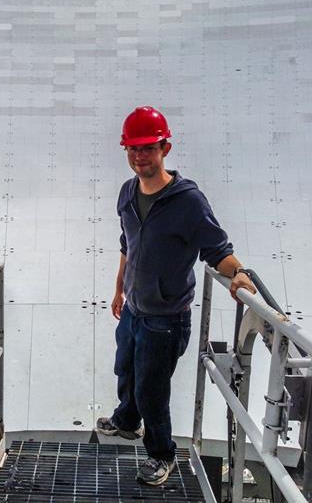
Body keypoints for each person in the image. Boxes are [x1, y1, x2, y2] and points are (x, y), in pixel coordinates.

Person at [96, 106, 256, 486]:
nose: (139, 156)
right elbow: (128, 243)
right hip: (134, 308)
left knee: (152, 389)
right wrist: (119, 288)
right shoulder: (128, 192)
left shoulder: (187, 201)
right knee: (127, 369)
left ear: (165, 147)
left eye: (148, 148)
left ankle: (161, 455)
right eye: (133, 149)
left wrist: (240, 274)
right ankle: (126, 421)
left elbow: (217, 249)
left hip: (166, 318)